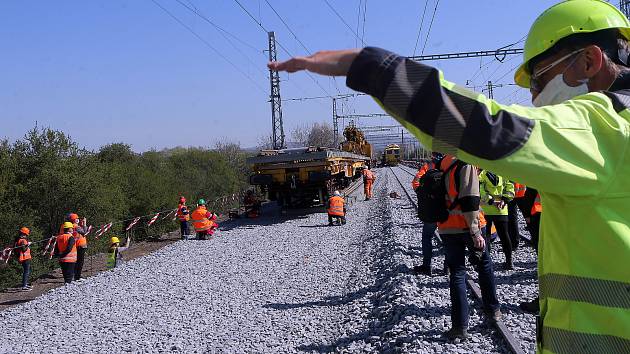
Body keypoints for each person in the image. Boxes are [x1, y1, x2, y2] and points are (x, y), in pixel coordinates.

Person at [269, 2, 630, 349]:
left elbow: (484, 128)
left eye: (538, 79)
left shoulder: (602, 127)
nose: (535, 97)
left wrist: (368, 67)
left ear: (589, 60)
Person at [438, 155, 500, 339]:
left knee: (457, 273)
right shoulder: (466, 163)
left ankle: (459, 327)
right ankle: (493, 310)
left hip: (447, 227)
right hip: (468, 226)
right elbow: (470, 199)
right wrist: (476, 232)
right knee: (484, 265)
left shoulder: (445, 161)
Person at [411, 152, 443, 276]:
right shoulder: (447, 170)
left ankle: (427, 265)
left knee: (427, 237)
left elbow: (416, 185)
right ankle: (448, 267)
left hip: (431, 212)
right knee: (447, 240)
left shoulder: (425, 172)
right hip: (446, 212)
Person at [479, 169, 516, 270]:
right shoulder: (504, 172)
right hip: (501, 209)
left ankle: (486, 261)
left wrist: (490, 200)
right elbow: (510, 187)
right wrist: (504, 200)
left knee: (486, 236)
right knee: (504, 235)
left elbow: (480, 189)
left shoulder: (483, 173)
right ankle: (509, 261)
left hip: (486, 209)